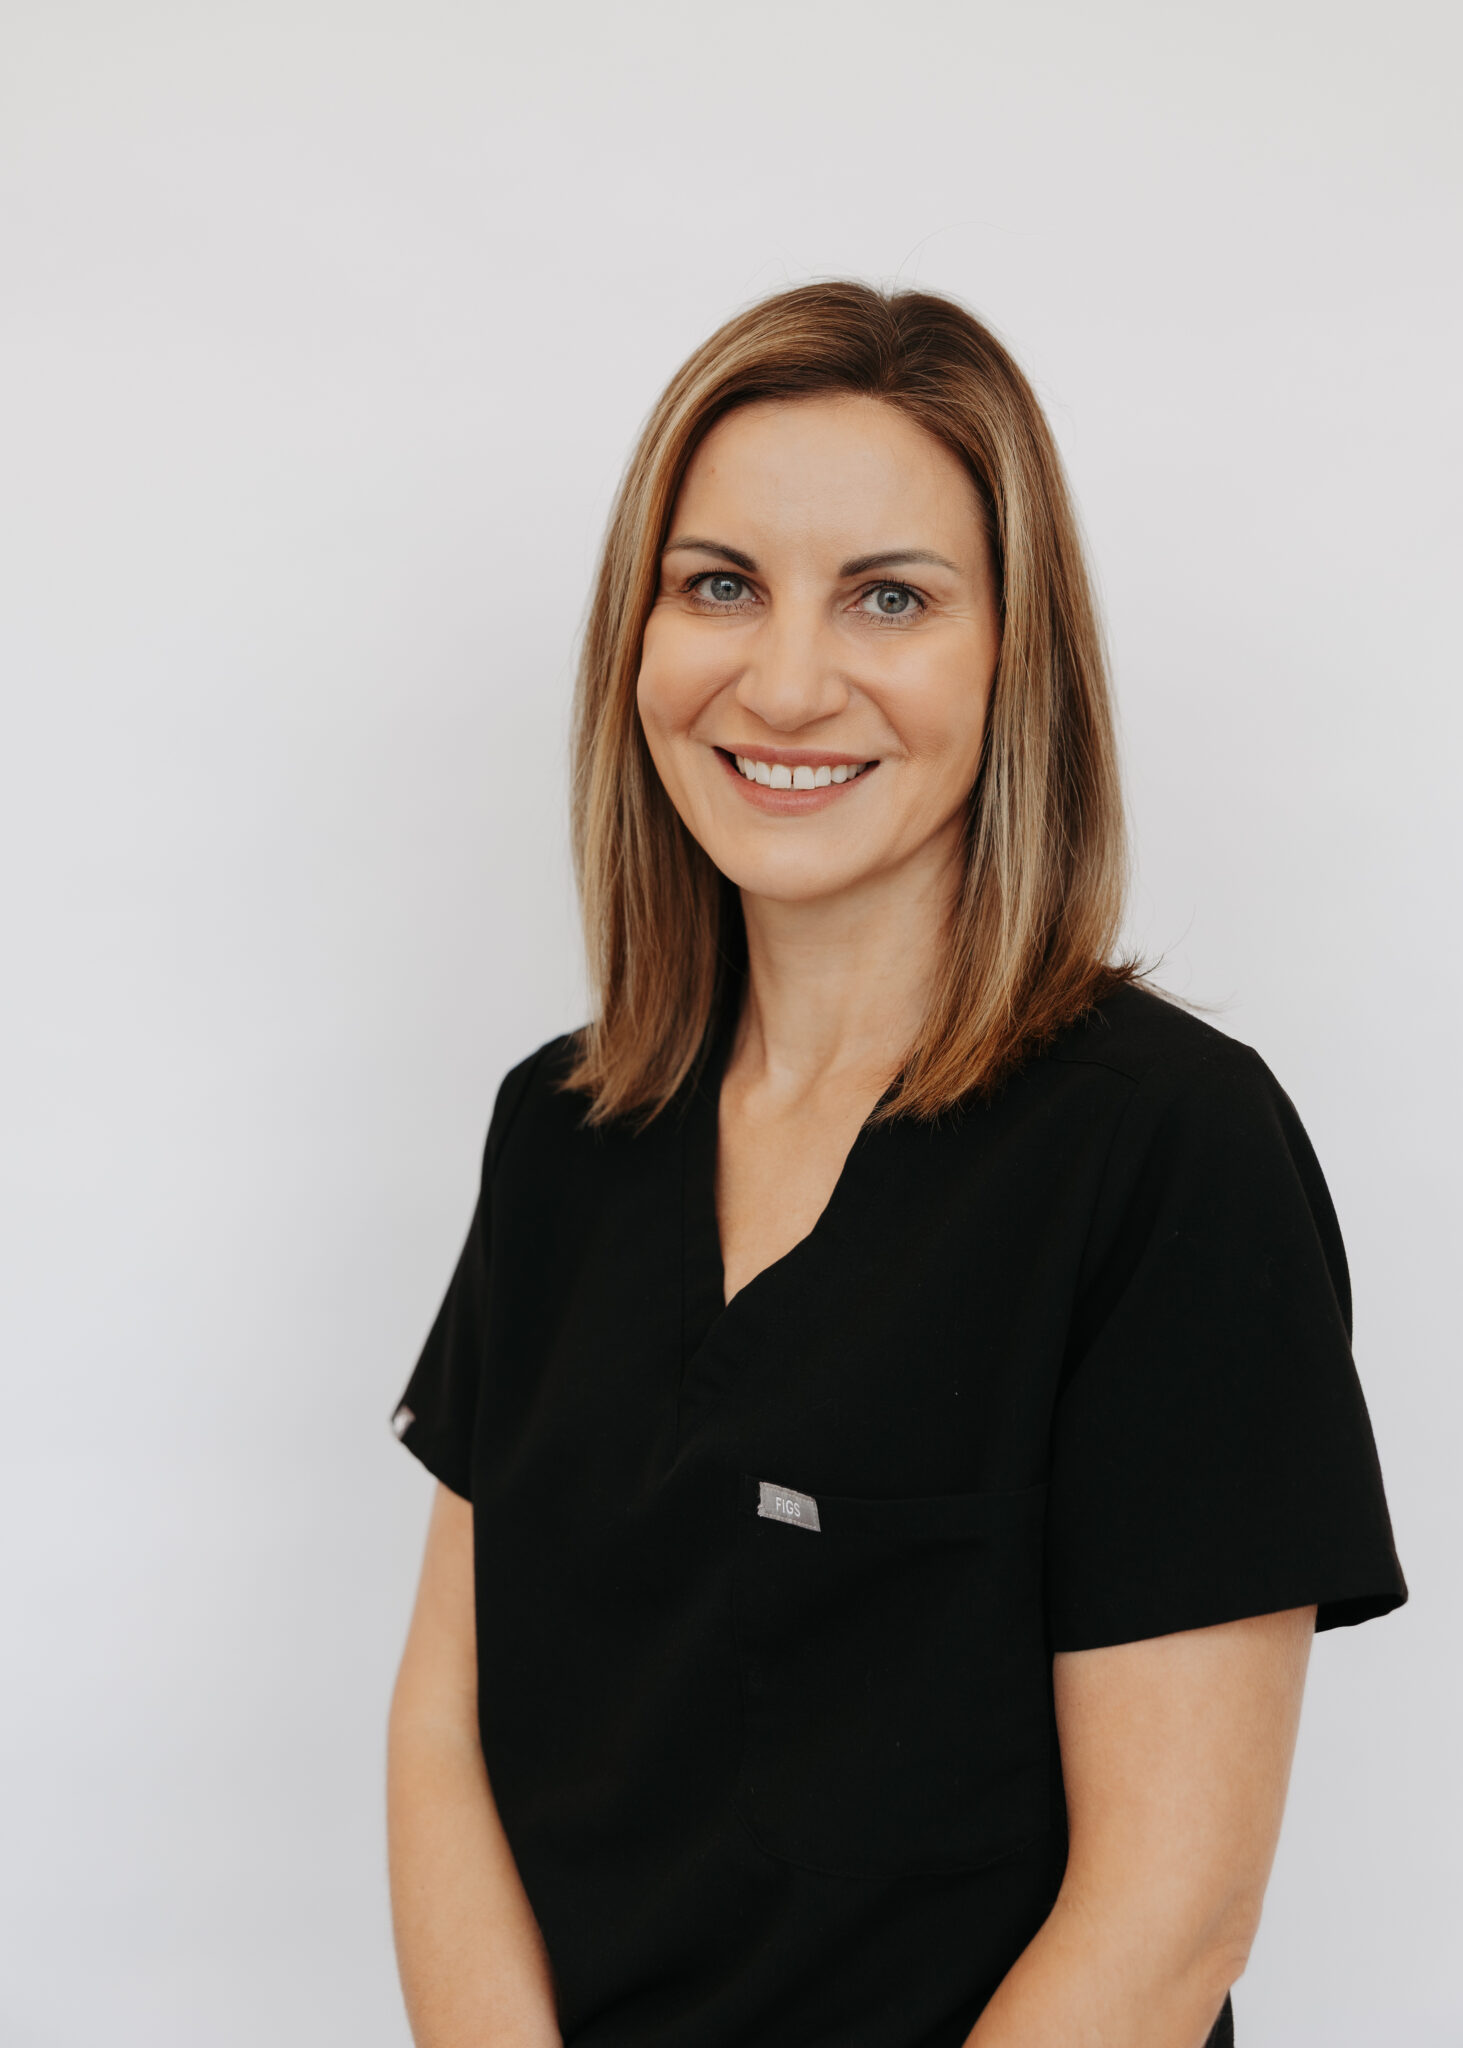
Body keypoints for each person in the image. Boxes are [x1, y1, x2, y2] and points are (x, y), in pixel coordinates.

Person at [384, 283, 1407, 2048]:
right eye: (719, 585)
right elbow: (442, 1732)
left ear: (1016, 659)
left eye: (891, 598)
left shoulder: (1167, 1156)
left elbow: (1168, 1922)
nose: (785, 679)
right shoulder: (557, 1133)